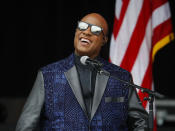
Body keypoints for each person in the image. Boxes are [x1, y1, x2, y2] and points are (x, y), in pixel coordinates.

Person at [16, 13, 148, 131]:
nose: (86, 32)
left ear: (104, 40)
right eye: (83, 26)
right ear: (76, 31)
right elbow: (26, 124)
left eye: (95, 30)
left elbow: (140, 122)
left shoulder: (120, 77)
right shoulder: (48, 74)